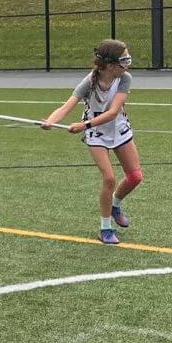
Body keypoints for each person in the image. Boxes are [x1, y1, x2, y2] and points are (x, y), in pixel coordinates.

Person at [41, 39, 143, 245]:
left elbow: (113, 112)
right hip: (96, 134)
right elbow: (66, 106)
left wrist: (84, 124)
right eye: (124, 59)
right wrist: (51, 121)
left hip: (117, 128)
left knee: (135, 177)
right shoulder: (90, 81)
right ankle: (105, 228)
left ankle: (115, 205)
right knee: (109, 179)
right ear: (111, 65)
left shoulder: (125, 78)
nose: (128, 63)